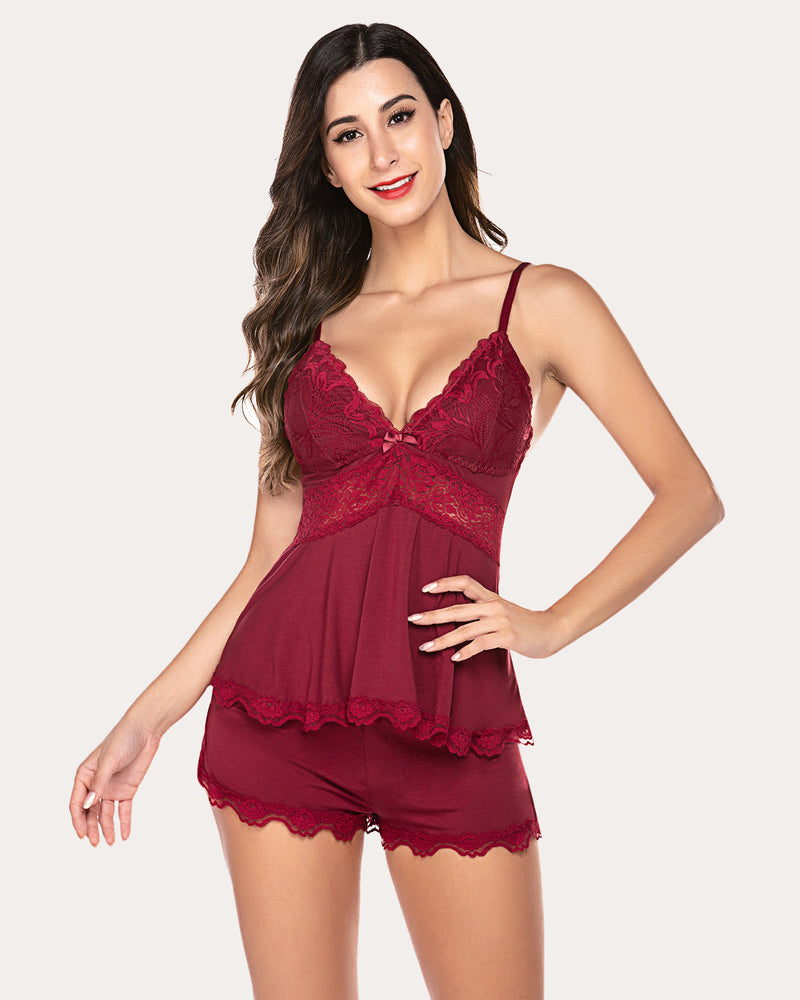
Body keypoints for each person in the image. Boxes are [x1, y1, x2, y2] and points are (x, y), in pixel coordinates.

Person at [69, 21, 724, 1000]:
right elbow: (269, 555)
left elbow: (688, 494)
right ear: (327, 169)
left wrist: (548, 625)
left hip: (451, 721)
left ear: (444, 123)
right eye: (347, 135)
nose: (382, 153)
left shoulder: (543, 302)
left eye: (400, 116)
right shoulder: (308, 326)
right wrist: (146, 719)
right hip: (278, 720)